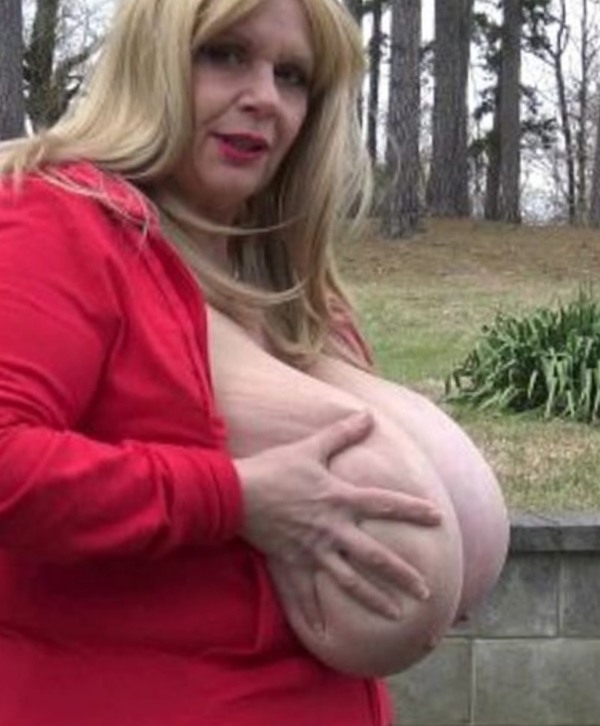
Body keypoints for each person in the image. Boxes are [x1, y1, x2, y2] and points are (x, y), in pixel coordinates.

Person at [0, 0, 509, 723]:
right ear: (153, 62)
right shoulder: (57, 218)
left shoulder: (283, 277)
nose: (264, 98)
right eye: (225, 55)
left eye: (291, 75)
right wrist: (235, 498)